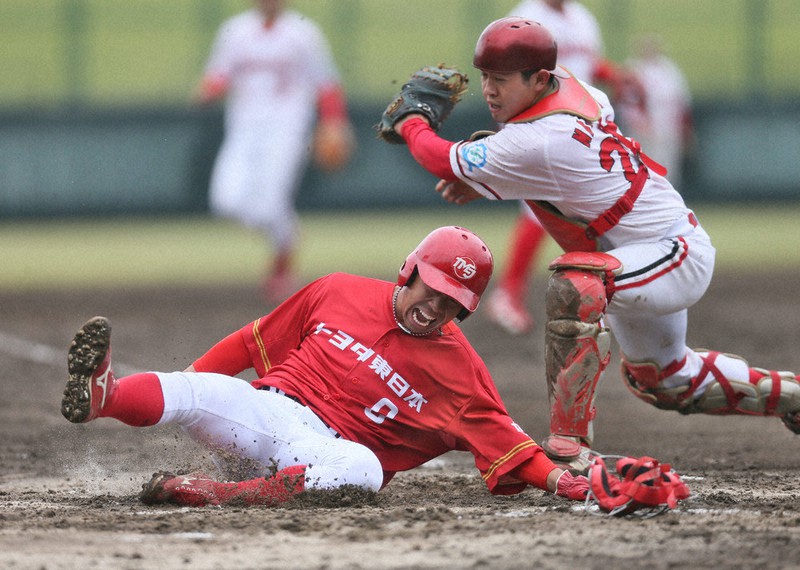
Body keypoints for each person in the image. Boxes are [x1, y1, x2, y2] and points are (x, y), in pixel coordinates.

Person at [384, 18, 800, 472]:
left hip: (673, 251)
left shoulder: (541, 139)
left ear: (539, 79)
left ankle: (569, 444)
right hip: (636, 251)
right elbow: (556, 174)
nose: (489, 90)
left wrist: (411, 122)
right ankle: (792, 396)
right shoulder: (574, 92)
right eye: (485, 76)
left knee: (576, 284)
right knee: (665, 381)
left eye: (501, 79)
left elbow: (440, 158)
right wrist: (490, 182)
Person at [60, 226, 590, 507]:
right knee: (192, 390)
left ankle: (215, 494)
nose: (436, 307)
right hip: (263, 414)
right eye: (432, 288)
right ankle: (107, 396)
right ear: (410, 270)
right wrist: (197, 387)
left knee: (364, 471)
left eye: (453, 302)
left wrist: (565, 482)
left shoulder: (460, 373)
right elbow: (249, 343)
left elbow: (511, 446)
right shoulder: (338, 290)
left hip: (320, 457)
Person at [485, 0, 642, 336]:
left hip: (578, 126)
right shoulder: (525, 19)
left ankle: (602, 294)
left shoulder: (582, 18)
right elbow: (509, 78)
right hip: (541, 124)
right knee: (538, 212)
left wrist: (614, 74)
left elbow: (584, 66)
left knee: (585, 212)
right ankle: (508, 294)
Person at [194, 0, 355, 305]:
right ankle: (288, 232)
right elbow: (218, 75)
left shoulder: (303, 33)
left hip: (287, 131)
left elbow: (327, 84)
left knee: (268, 207)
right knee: (225, 200)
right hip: (242, 130)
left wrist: (334, 121)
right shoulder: (235, 31)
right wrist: (209, 90)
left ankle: (281, 265)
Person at [620, 34, 694, 189]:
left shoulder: (670, 70)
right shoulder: (633, 69)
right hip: (642, 129)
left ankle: (669, 199)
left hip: (668, 127)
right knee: (643, 168)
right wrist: (639, 123)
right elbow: (627, 101)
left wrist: (684, 128)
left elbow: (681, 101)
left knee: (669, 167)